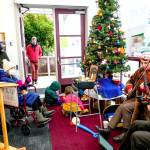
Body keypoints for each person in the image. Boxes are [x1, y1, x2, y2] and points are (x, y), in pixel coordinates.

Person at [96, 56, 150, 142]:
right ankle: (108, 130)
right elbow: (130, 81)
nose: (143, 65)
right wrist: (129, 88)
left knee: (125, 107)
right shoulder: (140, 70)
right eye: (142, 63)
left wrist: (144, 90)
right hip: (135, 97)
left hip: (144, 101)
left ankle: (126, 133)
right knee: (121, 106)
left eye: (146, 63)